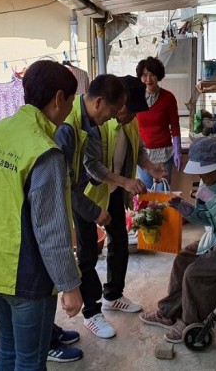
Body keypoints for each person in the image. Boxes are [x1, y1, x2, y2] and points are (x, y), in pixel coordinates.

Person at [0, 60, 83, 371]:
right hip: (27, 276)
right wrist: (70, 285)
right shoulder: (44, 152)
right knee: (30, 361)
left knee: (9, 349)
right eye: (71, 100)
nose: (71, 108)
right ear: (59, 98)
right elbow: (51, 230)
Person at [81, 75, 167, 333]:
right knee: (87, 253)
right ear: (118, 105)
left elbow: (138, 149)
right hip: (88, 196)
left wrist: (151, 168)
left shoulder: (129, 121)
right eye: (130, 111)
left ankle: (113, 296)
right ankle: (91, 312)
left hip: (116, 192)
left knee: (119, 241)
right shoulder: (98, 123)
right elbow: (91, 165)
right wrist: (125, 181)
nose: (132, 117)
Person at [139, 136, 216, 343]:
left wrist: (211, 198)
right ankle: (167, 312)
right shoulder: (207, 179)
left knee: (195, 273)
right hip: (215, 236)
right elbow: (205, 218)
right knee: (183, 258)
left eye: (204, 170)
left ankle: (192, 322)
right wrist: (187, 210)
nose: (201, 175)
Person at [54, 75, 130, 339]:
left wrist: (122, 182)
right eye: (112, 110)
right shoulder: (68, 127)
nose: (113, 117)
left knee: (88, 253)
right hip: (71, 198)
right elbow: (62, 186)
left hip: (80, 194)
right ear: (99, 102)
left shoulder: (88, 122)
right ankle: (90, 313)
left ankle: (91, 308)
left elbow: (91, 165)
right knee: (83, 256)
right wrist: (95, 211)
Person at [135, 56, 182, 190]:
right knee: (145, 194)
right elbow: (131, 125)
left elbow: (175, 125)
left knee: (163, 197)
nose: (148, 79)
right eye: (144, 75)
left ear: (159, 76)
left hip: (164, 154)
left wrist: (177, 150)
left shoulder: (168, 97)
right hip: (143, 155)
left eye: (152, 75)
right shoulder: (136, 98)